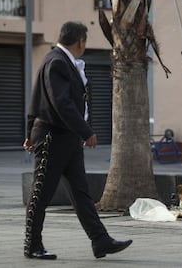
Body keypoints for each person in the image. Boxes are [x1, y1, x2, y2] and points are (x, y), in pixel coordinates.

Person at [22, 21, 132, 260]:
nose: (85, 44)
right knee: (42, 192)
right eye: (85, 40)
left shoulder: (61, 61)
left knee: (81, 192)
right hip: (53, 136)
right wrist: (86, 131)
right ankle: (32, 244)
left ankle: (100, 241)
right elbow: (60, 103)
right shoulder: (57, 62)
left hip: (67, 139)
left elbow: (37, 98)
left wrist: (30, 132)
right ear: (80, 41)